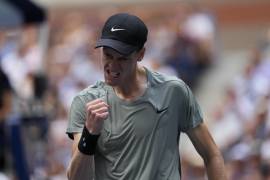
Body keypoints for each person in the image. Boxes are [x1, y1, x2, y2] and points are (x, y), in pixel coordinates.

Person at [66, 13, 227, 180]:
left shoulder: (173, 91)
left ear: (141, 54)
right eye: (107, 55)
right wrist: (89, 135)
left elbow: (212, 155)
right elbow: (76, 178)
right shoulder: (86, 101)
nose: (112, 65)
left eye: (122, 58)